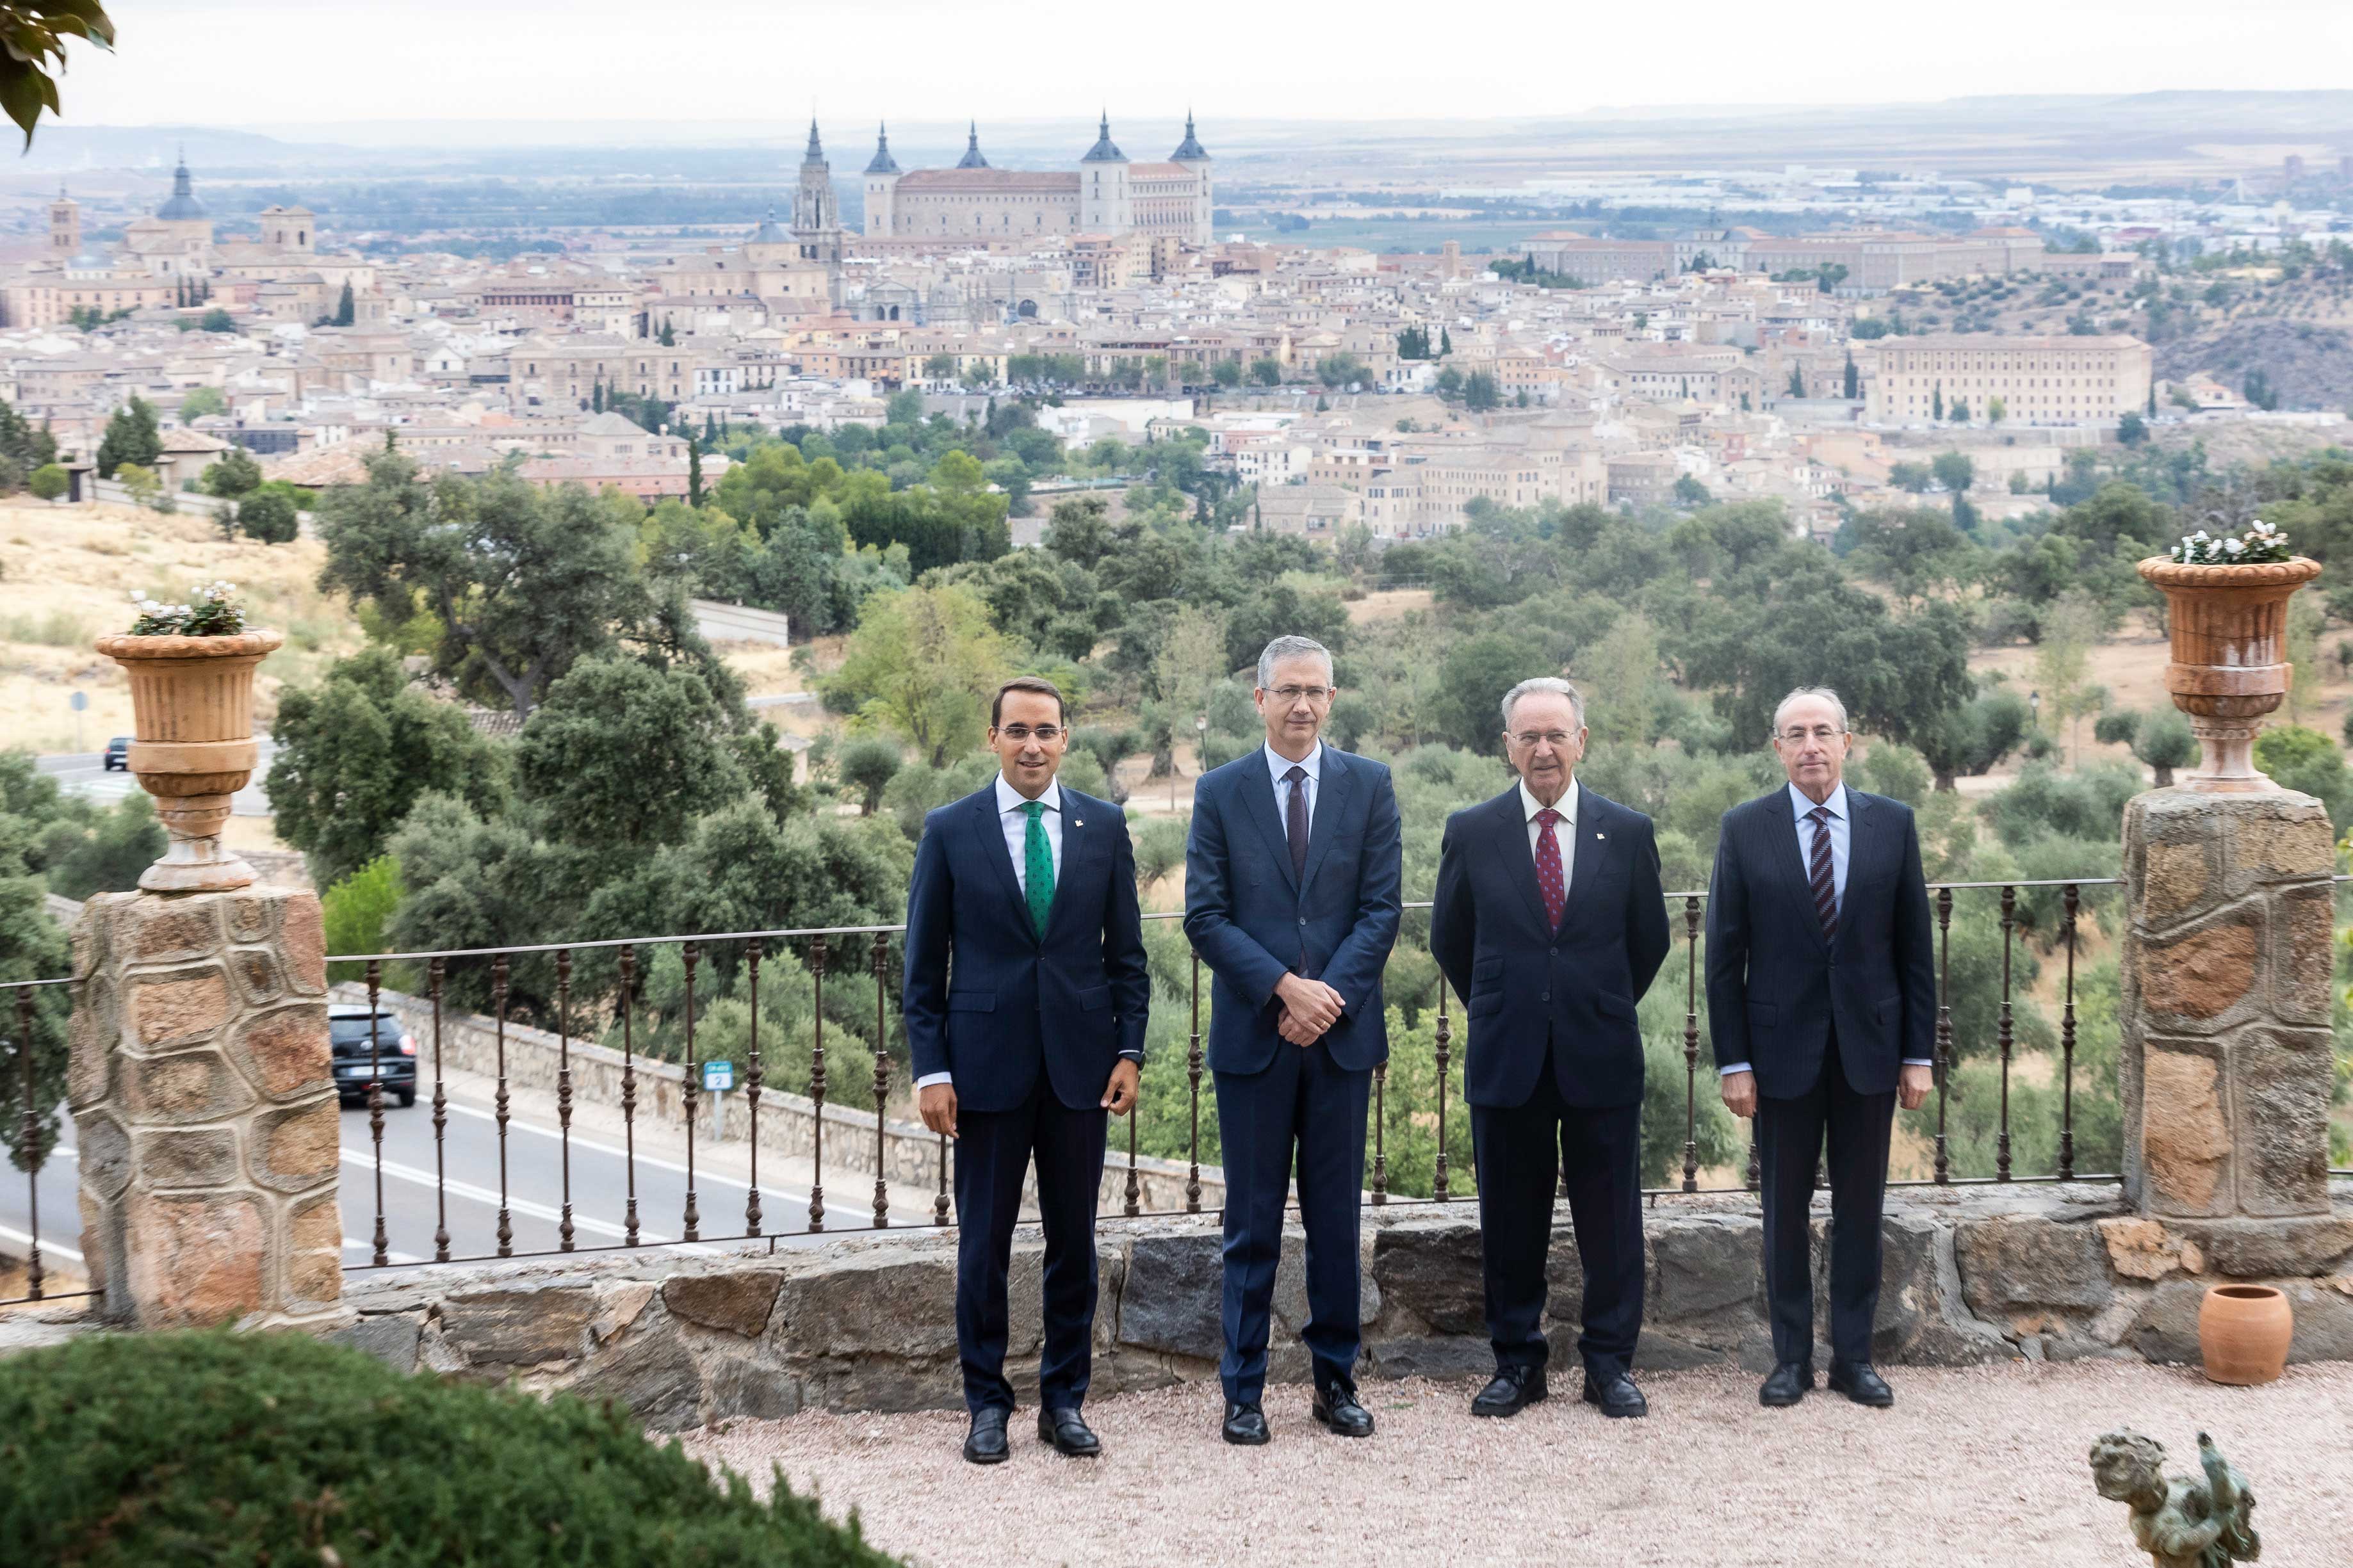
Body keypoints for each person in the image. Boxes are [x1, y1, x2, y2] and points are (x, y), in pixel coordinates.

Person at [902, 676, 1150, 1464]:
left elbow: (1128, 960)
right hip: (982, 1073)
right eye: (1017, 730)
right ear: (993, 738)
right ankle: (985, 1404)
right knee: (983, 1244)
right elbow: (920, 970)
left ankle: (1063, 1401)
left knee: (1074, 1244)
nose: (1032, 745)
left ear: (1066, 738)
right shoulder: (949, 829)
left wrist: (1130, 1051)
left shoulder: (1104, 826)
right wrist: (930, 1069)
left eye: (1046, 730)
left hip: (1081, 1071)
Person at [1429, 677, 1669, 1420]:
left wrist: (1586, 1006)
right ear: (1507, 746)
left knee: (1611, 1223)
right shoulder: (1470, 830)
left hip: (1599, 1052)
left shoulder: (1626, 832)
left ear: (1580, 741)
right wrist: (1512, 1008)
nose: (1542, 749)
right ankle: (1516, 1366)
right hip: (1507, 1056)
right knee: (1510, 1220)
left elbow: (1648, 941)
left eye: (1555, 734)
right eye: (1528, 736)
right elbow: (1451, 938)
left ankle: (1608, 1367)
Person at [1185, 635, 1402, 1446]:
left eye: (1315, 690)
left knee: (1336, 1225)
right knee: (1249, 1224)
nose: (1301, 704)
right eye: (1287, 690)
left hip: (1340, 1042)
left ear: (1332, 700)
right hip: (1255, 1038)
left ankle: (1334, 1383)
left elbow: (1381, 910)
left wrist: (1327, 999)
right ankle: (1242, 1391)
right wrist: (1284, 987)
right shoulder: (1218, 790)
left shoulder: (1370, 785)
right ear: (1260, 698)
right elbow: (1203, 916)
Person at [1705, 686, 1935, 1410]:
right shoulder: (1745, 828)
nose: (1810, 745)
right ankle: (1790, 1359)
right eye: (1795, 733)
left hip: (1868, 1049)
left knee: (1862, 1210)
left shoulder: (1891, 825)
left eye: (1822, 732)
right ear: (1776, 748)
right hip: (1779, 1056)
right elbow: (1722, 955)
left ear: (1845, 742)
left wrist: (1917, 1053)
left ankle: (1854, 1359)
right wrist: (1733, 1061)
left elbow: (1913, 950)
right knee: (1782, 1209)